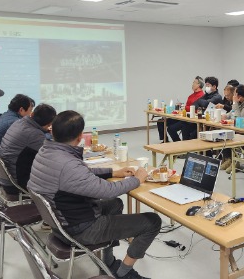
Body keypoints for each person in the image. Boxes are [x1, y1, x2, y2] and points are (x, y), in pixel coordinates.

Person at [28, 111, 159, 279]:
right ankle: (123, 273)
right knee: (152, 222)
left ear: (52, 131)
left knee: (115, 204)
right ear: (80, 136)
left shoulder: (47, 151)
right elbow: (107, 190)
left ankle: (108, 262)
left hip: (59, 223)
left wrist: (113, 171)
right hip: (79, 229)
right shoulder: (68, 165)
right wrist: (138, 179)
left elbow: (82, 172)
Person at [0, 104, 56, 195]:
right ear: (49, 124)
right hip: (16, 182)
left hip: (5, 176)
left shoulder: (19, 122)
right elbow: (52, 155)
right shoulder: (34, 134)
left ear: (32, 114)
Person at [220, 85, 244, 171]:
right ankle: (228, 159)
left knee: (229, 134)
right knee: (223, 132)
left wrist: (234, 103)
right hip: (241, 130)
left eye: (234, 94)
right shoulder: (242, 102)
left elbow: (238, 119)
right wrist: (225, 116)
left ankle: (235, 162)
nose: (233, 96)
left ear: (239, 97)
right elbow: (232, 113)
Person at [162, 76, 204, 142]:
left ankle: (180, 144)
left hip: (191, 120)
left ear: (199, 85)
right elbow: (187, 107)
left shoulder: (201, 96)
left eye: (194, 82)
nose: (192, 84)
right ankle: (176, 142)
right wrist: (182, 107)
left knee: (171, 129)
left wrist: (184, 107)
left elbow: (196, 109)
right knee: (163, 122)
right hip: (184, 117)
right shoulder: (191, 96)